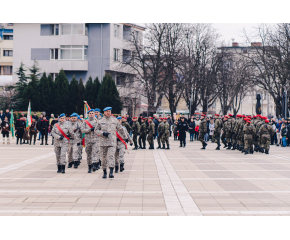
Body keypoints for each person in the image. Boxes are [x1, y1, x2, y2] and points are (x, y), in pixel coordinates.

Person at [95, 107, 127, 179]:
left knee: (111, 156)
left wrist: (125, 137)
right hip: (103, 142)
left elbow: (120, 129)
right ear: (104, 112)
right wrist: (103, 133)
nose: (108, 112)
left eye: (109, 111)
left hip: (112, 142)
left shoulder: (114, 120)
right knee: (103, 158)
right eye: (107, 111)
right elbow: (96, 130)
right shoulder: (100, 120)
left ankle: (111, 172)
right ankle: (104, 171)